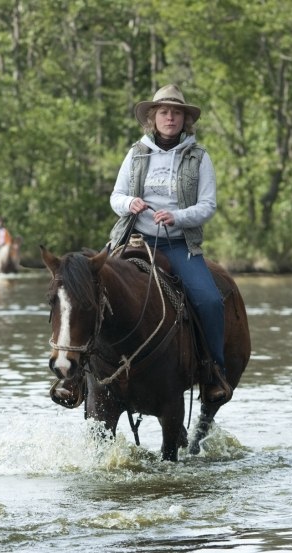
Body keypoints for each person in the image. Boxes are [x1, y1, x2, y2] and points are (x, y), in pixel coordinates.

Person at [107, 84, 230, 405]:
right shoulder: (136, 153)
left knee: (210, 301)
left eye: (176, 112)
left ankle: (213, 371)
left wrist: (177, 217)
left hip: (178, 244)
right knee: (86, 287)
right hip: (134, 239)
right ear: (153, 117)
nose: (170, 117)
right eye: (164, 112)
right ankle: (80, 371)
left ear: (185, 119)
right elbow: (116, 196)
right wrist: (129, 203)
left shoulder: (199, 157)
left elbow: (208, 205)